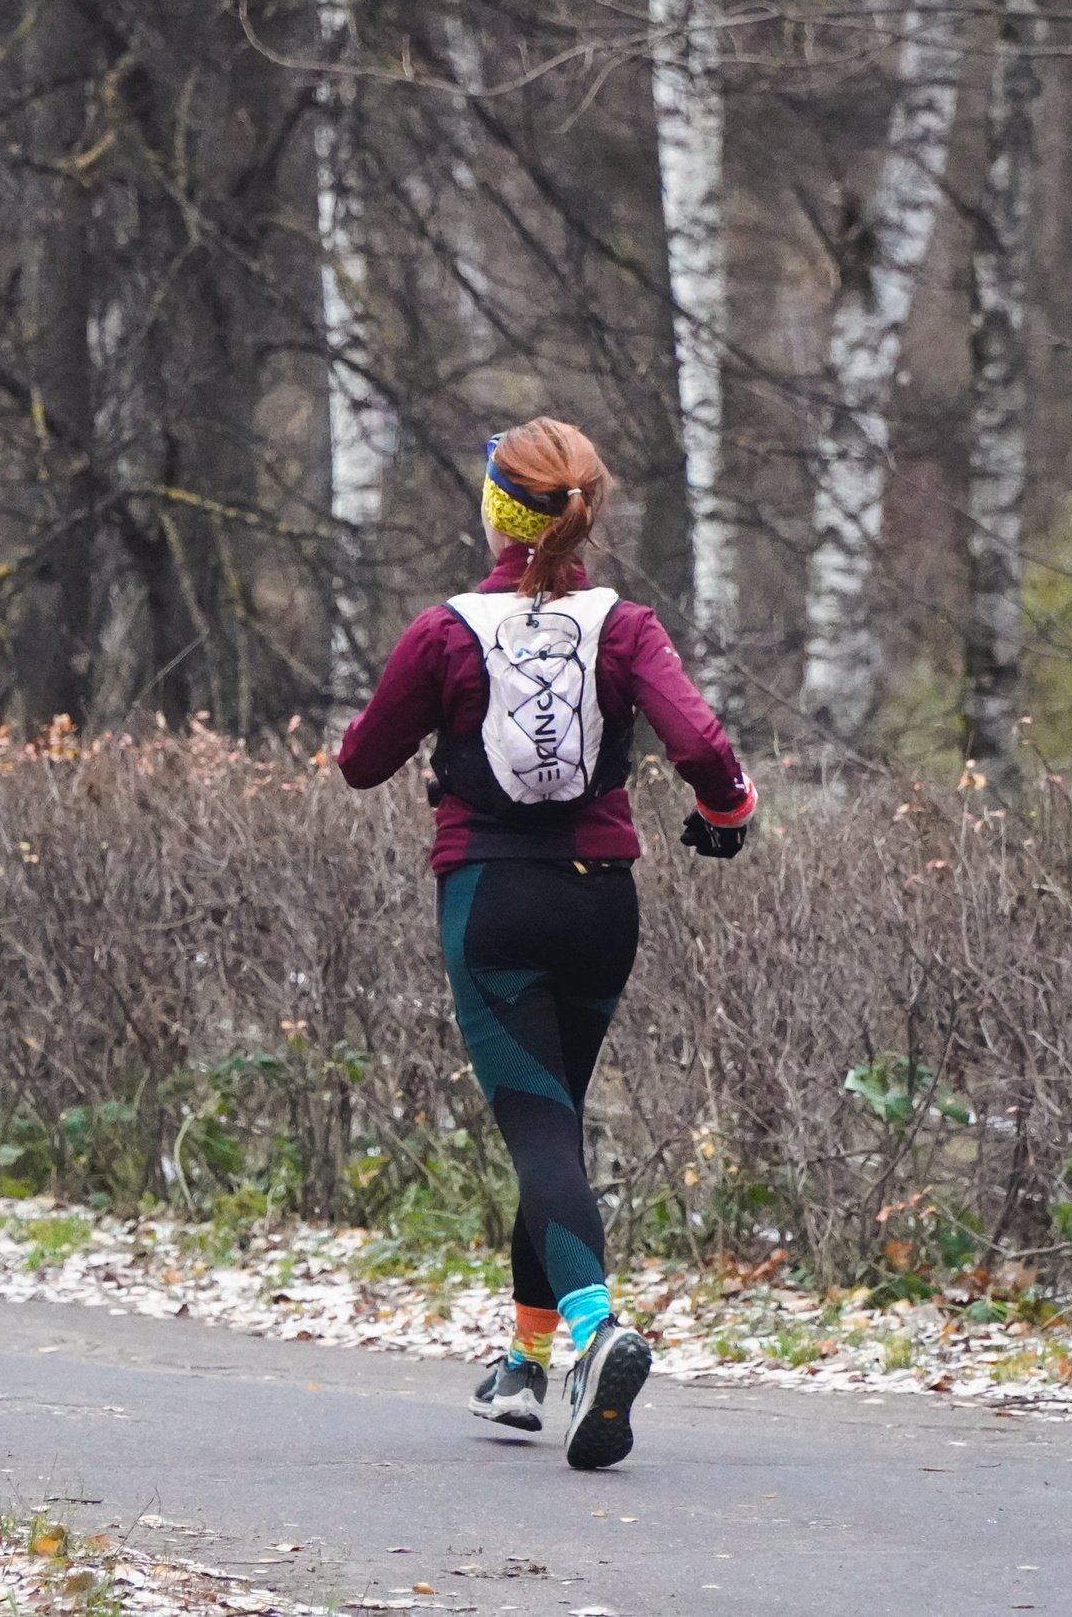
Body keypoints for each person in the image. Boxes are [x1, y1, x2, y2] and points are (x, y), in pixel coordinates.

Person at [336, 416, 755, 1471]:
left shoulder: (445, 631)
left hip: (493, 899)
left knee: (537, 1129)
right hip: (601, 903)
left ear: (496, 510)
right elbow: (702, 745)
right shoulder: (624, 626)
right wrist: (730, 810)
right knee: (555, 1119)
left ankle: (595, 1331)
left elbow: (360, 761)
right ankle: (522, 1363)